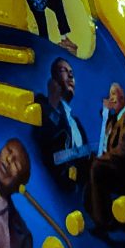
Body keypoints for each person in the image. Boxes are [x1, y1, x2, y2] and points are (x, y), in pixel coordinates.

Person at [85, 82, 125, 231]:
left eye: (113, 94)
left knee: (97, 167)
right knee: (91, 164)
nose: (110, 98)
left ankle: (103, 222)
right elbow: (103, 143)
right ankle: (95, 214)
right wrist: (105, 115)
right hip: (117, 168)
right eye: (110, 95)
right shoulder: (114, 121)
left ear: (122, 97)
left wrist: (100, 160)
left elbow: (123, 151)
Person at [33, 57, 89, 191]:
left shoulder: (76, 123)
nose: (71, 76)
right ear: (53, 81)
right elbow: (44, 138)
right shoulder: (41, 105)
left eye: (72, 73)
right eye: (65, 71)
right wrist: (53, 100)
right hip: (57, 188)